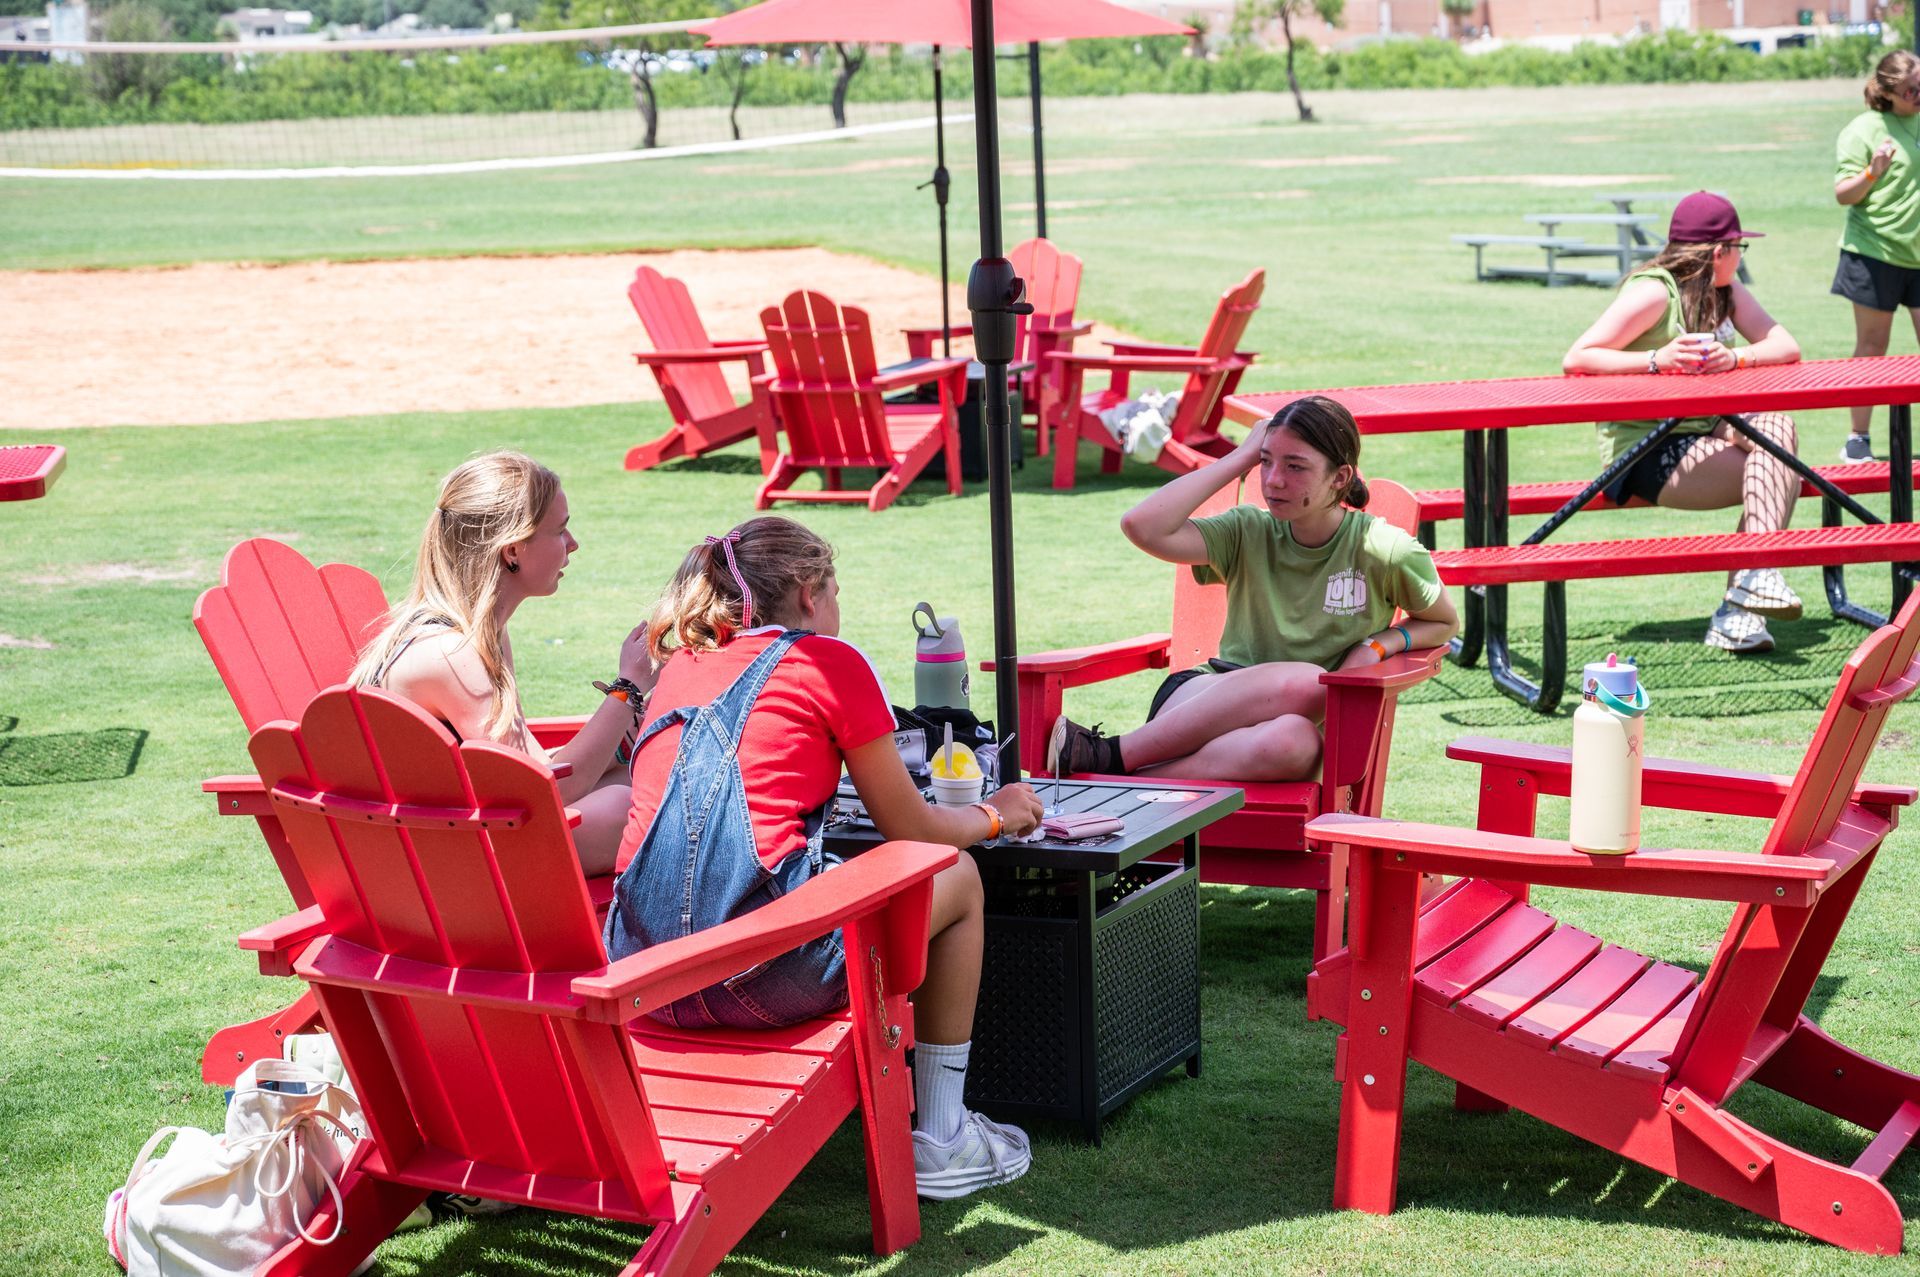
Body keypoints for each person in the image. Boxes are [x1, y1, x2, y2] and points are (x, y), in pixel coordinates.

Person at [615, 515, 1044, 1201]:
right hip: (760, 979)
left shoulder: (678, 669)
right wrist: (998, 812)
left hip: (647, 977)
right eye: (836, 590)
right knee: (957, 877)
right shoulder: (825, 663)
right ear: (810, 594)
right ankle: (941, 1136)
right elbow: (915, 829)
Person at [1048, 395, 1458, 782]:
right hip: (1201, 700)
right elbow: (1141, 526)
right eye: (1266, 462)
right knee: (1310, 681)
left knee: (1296, 742)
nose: (1274, 480)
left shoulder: (1385, 551)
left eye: (1295, 467)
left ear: (1340, 478)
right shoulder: (1247, 530)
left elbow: (1443, 622)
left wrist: (1380, 645)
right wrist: (1239, 458)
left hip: (1272, 736)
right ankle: (1117, 753)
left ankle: (1123, 777)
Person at [350, 450, 650, 877]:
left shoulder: (476, 633)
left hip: (460, 836)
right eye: (560, 531)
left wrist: (626, 738)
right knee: (636, 805)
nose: (573, 544)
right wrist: (627, 689)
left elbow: (527, 770)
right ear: (512, 550)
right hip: (454, 869)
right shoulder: (451, 655)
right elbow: (543, 792)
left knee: (645, 776)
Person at [1563, 190, 1805, 654]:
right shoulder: (1654, 292)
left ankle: (1749, 587)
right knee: (1778, 467)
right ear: (1720, 252)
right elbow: (1578, 357)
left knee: (1778, 430)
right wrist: (1657, 358)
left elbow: (1785, 345)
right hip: (1645, 445)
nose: (1740, 256)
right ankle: (1743, 603)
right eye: (1740, 247)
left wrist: (1734, 358)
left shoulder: (1725, 291)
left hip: (1705, 425)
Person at [1833, 49, 1920, 462]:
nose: (1919, 95)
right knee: (1872, 346)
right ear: (1889, 93)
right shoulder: (1863, 130)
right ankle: (1858, 439)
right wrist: (1872, 171)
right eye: (1911, 91)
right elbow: (1842, 195)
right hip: (1874, 252)